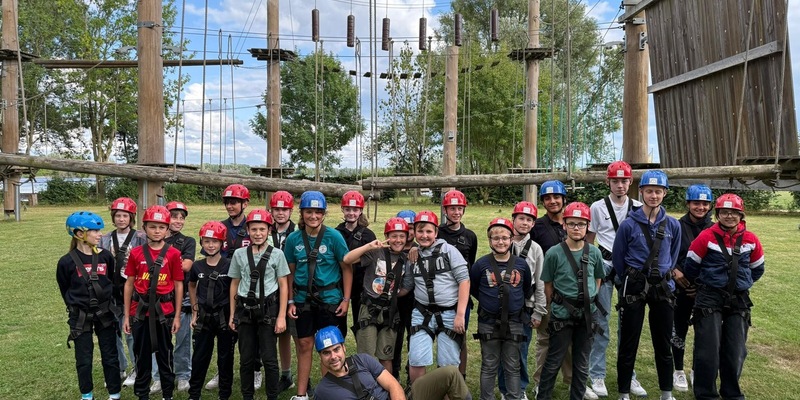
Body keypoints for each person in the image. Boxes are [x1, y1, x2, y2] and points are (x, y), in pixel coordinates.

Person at [684, 193, 765, 400]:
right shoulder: (706, 237)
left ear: (741, 215)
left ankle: (732, 394)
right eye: (725, 212)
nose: (729, 216)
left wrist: (738, 284)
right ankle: (706, 395)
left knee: (735, 350)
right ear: (718, 214)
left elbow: (757, 269)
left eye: (734, 213)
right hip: (709, 298)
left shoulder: (751, 240)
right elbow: (691, 266)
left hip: (738, 299)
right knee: (707, 350)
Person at [613, 170, 681, 400]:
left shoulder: (672, 225)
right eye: (649, 191)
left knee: (663, 343)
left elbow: (673, 256)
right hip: (634, 286)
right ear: (641, 192)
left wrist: (662, 274)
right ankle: (623, 392)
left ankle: (666, 392)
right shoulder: (628, 225)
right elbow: (618, 257)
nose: (653, 195)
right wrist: (632, 279)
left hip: (662, 288)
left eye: (658, 191)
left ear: (665, 193)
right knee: (629, 342)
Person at [585, 161, 647, 398]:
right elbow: (590, 240)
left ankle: (628, 374)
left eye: (624, 181)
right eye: (615, 181)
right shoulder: (598, 207)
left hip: (631, 271)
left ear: (631, 182)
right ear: (607, 182)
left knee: (628, 325)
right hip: (605, 265)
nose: (620, 185)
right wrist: (589, 270)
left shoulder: (639, 208)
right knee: (601, 321)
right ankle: (597, 374)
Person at [285, 191, 353, 400]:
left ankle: (329, 393)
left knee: (329, 345)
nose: (313, 216)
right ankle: (301, 394)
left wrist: (346, 299)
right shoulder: (293, 239)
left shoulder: (334, 237)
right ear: (302, 213)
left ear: (324, 214)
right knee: (304, 344)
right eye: (308, 212)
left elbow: (346, 268)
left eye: (317, 212)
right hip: (303, 300)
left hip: (330, 299)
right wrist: (290, 301)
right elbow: (289, 272)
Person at [537, 202, 604, 400]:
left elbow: (597, 279)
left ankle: (577, 396)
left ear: (587, 227)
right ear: (564, 225)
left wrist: (587, 299)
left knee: (581, 362)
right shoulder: (554, 253)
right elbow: (547, 284)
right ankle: (543, 396)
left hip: (587, 315)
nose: (576, 228)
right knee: (554, 360)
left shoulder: (594, 253)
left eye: (581, 224)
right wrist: (555, 304)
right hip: (561, 314)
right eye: (572, 224)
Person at [122, 205, 184, 400]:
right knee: (142, 356)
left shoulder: (173, 254)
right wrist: (126, 316)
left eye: (161, 227)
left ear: (167, 229)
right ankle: (142, 394)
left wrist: (176, 316)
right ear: (145, 228)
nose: (157, 231)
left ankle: (167, 394)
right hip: (139, 313)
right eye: (152, 227)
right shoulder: (136, 253)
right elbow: (129, 284)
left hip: (164, 313)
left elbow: (178, 285)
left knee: (165, 356)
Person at [58, 211, 122, 400]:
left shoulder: (105, 257)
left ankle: (114, 393)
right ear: (80, 234)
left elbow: (112, 281)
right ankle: (87, 394)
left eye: (99, 231)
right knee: (83, 359)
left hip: (105, 314)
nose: (99, 234)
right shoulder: (66, 262)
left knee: (110, 355)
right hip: (80, 316)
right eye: (94, 231)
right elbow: (65, 289)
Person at [402, 211, 470, 385]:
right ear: (414, 233)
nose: (424, 236)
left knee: (448, 365)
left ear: (436, 233)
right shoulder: (413, 256)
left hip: (448, 313)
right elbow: (408, 286)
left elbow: (464, 280)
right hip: (422, 313)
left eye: (429, 231)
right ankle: (419, 394)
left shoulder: (449, 251)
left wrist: (460, 314)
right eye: (420, 231)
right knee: (416, 359)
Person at [313, 326, 470, 400]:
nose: (333, 356)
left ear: (344, 348)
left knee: (451, 373)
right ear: (320, 356)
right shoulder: (323, 392)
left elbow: (393, 385)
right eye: (326, 353)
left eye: (336, 349)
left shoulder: (362, 360)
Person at [229, 209, 290, 400]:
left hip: (268, 311)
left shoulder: (277, 254)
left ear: (268, 230)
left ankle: (272, 395)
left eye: (262, 229)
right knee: (246, 358)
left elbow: (283, 285)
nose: (258, 233)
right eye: (254, 229)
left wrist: (281, 316)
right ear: (248, 230)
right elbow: (234, 284)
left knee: (270, 358)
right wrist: (233, 314)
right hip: (245, 311)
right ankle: (248, 395)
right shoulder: (239, 254)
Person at [471, 218, 532, 400]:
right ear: (489, 241)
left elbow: (526, 287)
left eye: (505, 238)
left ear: (511, 239)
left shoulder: (521, 265)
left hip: (514, 321)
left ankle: (514, 396)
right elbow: (475, 288)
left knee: (512, 365)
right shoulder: (481, 265)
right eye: (495, 238)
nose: (500, 242)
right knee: (489, 364)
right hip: (488, 322)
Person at [343, 217, 411, 372]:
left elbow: (407, 285)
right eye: (393, 236)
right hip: (369, 309)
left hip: (390, 311)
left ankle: (385, 392)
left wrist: (392, 296)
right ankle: (366, 390)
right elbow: (347, 259)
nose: (398, 240)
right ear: (387, 235)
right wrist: (368, 246)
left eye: (402, 236)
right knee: (366, 356)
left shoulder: (406, 259)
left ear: (407, 237)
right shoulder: (375, 253)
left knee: (386, 356)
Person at [499, 201, 546, 400]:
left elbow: (541, 280)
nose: (525, 223)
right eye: (521, 218)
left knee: (522, 350)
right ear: (513, 219)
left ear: (533, 224)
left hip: (526, 307)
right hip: (503, 307)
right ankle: (504, 389)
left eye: (529, 220)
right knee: (503, 349)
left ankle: (520, 388)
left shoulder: (535, 249)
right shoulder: (502, 243)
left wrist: (539, 310)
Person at [670, 184, 714, 392]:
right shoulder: (676, 226)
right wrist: (674, 272)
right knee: (679, 329)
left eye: (705, 203)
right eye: (696, 203)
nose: (701, 207)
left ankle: (697, 369)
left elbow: (716, 261)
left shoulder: (715, 229)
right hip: (680, 287)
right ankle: (678, 370)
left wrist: (701, 284)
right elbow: (668, 254)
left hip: (705, 289)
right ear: (688, 203)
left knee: (704, 332)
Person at [100, 197, 146, 387]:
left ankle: (137, 368)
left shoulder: (140, 237)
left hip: (132, 291)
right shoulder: (104, 239)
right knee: (112, 332)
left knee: (131, 334)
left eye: (125, 215)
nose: (121, 219)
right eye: (117, 215)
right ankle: (119, 367)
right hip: (110, 291)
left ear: (131, 217)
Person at [150, 201, 196, 394]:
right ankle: (159, 376)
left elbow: (185, 266)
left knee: (183, 338)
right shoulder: (154, 238)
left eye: (181, 217)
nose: (178, 221)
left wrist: (160, 265)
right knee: (157, 339)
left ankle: (183, 374)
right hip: (156, 297)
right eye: (174, 216)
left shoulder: (187, 241)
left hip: (181, 296)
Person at [530, 180, 571, 392]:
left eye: (556, 197)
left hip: (572, 290)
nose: (552, 201)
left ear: (564, 198)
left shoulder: (575, 222)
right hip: (547, 289)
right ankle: (541, 382)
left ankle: (574, 381)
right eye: (547, 198)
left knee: (572, 338)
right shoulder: (537, 227)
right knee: (545, 338)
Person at [187, 221, 234, 400]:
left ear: (222, 243)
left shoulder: (229, 265)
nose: (211, 245)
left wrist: (232, 316)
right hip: (204, 319)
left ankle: (224, 394)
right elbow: (191, 285)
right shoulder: (197, 266)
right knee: (199, 358)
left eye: (214, 241)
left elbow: (234, 289)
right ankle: (194, 394)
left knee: (225, 358)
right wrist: (195, 310)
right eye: (206, 241)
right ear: (202, 243)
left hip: (223, 318)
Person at [269, 190, 299, 393]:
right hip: (272, 291)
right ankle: (285, 374)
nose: (280, 213)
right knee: (281, 335)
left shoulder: (298, 233)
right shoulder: (265, 231)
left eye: (284, 209)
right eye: (277, 209)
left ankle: (302, 376)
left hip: (295, 290)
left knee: (299, 336)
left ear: (291, 210)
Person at [335, 190, 377, 336]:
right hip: (339, 285)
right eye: (348, 209)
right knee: (339, 325)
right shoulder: (336, 233)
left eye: (355, 209)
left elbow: (373, 260)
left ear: (360, 211)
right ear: (342, 209)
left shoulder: (368, 235)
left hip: (361, 286)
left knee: (361, 326)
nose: (351, 213)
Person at [392, 210, 418, 382]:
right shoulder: (392, 247)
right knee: (394, 337)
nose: (407, 232)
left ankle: (412, 375)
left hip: (414, 300)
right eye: (404, 228)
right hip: (393, 300)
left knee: (413, 338)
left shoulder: (421, 247)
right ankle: (393, 374)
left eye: (411, 228)